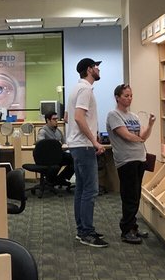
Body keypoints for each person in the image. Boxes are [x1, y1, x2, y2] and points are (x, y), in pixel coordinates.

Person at [106, 84, 156, 244]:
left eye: (131, 96)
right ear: (117, 97)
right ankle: (126, 230)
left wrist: (150, 124)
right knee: (129, 196)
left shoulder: (133, 116)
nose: (129, 98)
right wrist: (140, 138)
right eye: (126, 96)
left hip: (139, 159)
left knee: (135, 195)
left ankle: (133, 227)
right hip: (126, 161)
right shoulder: (113, 115)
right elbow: (126, 135)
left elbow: (143, 136)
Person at [67, 57, 107, 247]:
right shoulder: (85, 90)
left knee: (82, 190)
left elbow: (68, 117)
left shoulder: (77, 88)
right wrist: (94, 141)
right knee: (90, 190)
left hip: (78, 145)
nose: (99, 70)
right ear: (89, 69)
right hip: (83, 145)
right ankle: (86, 232)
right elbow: (78, 117)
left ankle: (82, 229)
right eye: (96, 67)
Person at [37, 110, 74, 186]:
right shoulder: (43, 131)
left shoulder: (59, 131)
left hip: (58, 155)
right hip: (48, 157)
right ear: (48, 120)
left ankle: (61, 178)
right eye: (54, 119)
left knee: (75, 159)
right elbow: (41, 145)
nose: (56, 121)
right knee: (57, 164)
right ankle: (54, 180)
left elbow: (64, 144)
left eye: (57, 119)